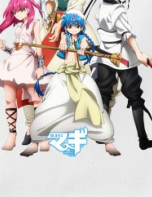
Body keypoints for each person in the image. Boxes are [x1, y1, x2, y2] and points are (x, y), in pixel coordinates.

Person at [21, 11, 120, 157]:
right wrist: (63, 45)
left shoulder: (83, 37)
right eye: (70, 26)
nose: (74, 29)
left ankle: (107, 141)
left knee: (92, 99)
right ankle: (37, 141)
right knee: (51, 102)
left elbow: (85, 46)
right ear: (66, 27)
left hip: (79, 73)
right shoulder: (64, 36)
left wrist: (83, 49)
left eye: (77, 26)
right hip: (64, 73)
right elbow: (62, 41)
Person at [91, 0, 152, 150]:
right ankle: (143, 140)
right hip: (121, 58)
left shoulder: (103, 6)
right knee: (134, 96)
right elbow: (127, 35)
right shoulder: (117, 10)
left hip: (104, 56)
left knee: (104, 94)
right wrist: (140, 54)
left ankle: (102, 133)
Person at [0, 0, 51, 151]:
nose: (17, 14)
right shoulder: (19, 27)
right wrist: (5, 48)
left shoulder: (35, 23)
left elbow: (38, 45)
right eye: (14, 12)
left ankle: (42, 135)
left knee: (36, 98)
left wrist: (40, 65)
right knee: (9, 100)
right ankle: (12, 135)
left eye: (20, 10)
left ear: (27, 9)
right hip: (12, 63)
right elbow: (16, 50)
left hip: (28, 63)